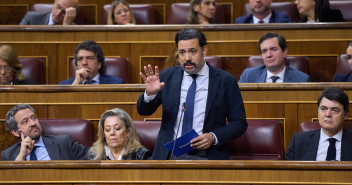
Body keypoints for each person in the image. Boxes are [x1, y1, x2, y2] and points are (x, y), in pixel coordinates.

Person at [137, 28, 247, 160]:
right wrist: (149, 94)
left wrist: (213, 137)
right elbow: (144, 111)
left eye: (192, 51)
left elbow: (239, 123)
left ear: (204, 50)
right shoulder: (167, 77)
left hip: (208, 154)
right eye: (182, 52)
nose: (187, 58)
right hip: (170, 155)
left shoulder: (225, 80)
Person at [1, 104, 89, 161]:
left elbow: (94, 156)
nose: (33, 123)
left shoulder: (64, 142)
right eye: (25, 122)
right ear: (15, 132)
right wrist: (21, 157)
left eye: (33, 117)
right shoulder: (8, 155)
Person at [286, 87, 352, 161]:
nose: (327, 114)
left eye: (335, 110)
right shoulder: (299, 141)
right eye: (323, 109)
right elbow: (289, 172)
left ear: (346, 115)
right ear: (318, 112)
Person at [238, 32, 310, 83]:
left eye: (273, 49)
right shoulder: (248, 76)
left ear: (284, 52)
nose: (269, 55)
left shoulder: (301, 79)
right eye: (264, 51)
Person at [59, 40, 124, 85]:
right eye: (80, 59)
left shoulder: (116, 83)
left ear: (99, 64)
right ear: (77, 64)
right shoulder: (64, 85)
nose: (84, 63)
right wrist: (76, 85)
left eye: (89, 58)